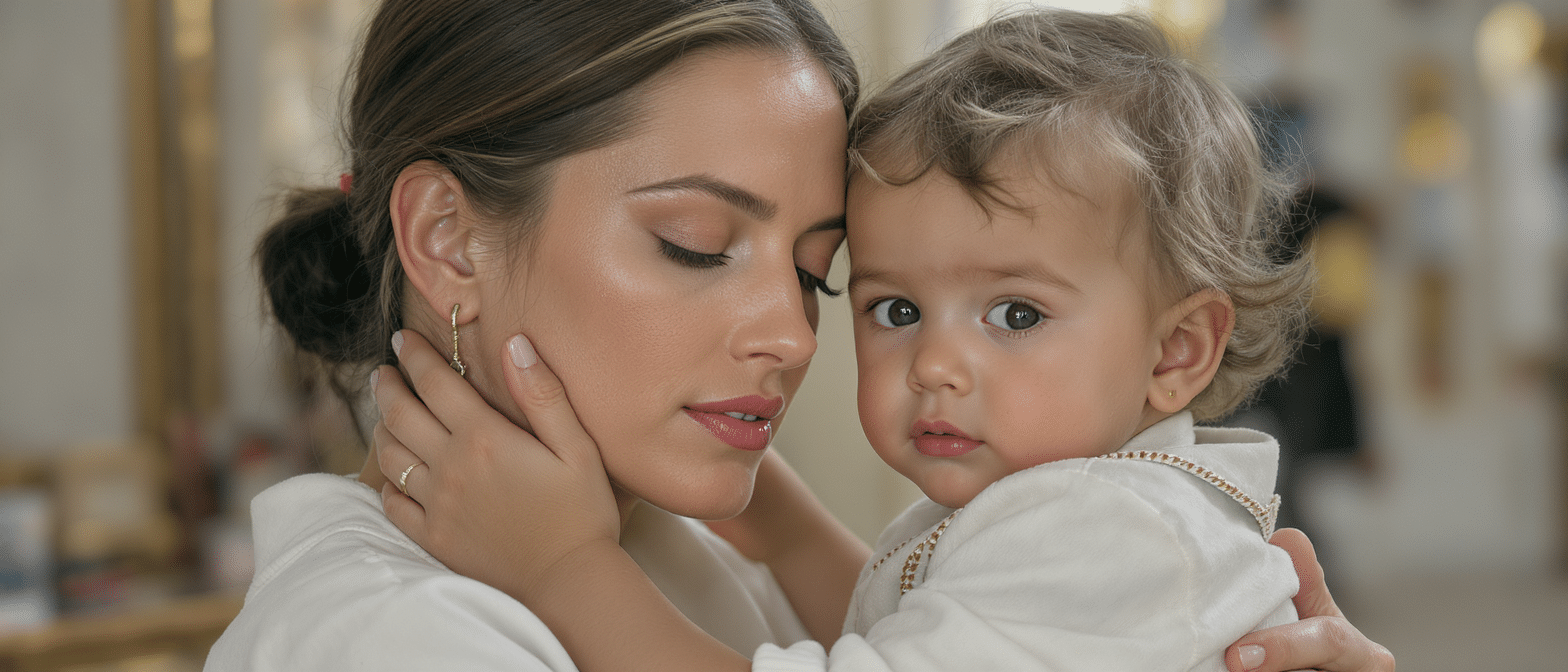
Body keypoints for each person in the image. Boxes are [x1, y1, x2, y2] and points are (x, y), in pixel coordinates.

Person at [210, 1, 1391, 670]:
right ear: (447, 237)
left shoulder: (672, 557)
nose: (787, 334)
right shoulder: (392, 639)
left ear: (1177, 348)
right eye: (692, 240)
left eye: (813, 275)